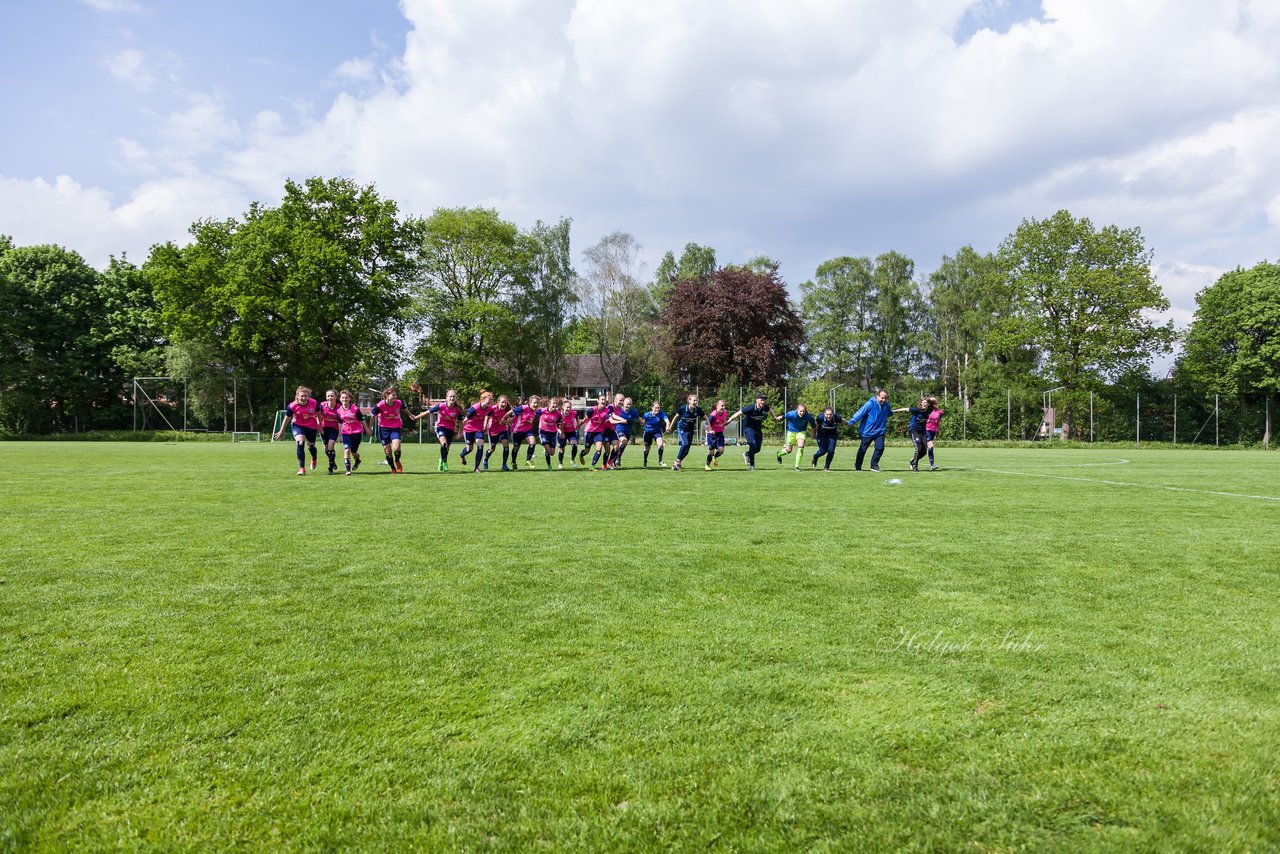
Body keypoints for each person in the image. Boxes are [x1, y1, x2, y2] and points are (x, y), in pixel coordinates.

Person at [848, 389, 903, 473]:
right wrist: (852, 421)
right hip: (867, 431)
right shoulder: (869, 404)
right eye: (882, 398)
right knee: (862, 450)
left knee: (880, 448)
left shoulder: (886, 405)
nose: (883, 400)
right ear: (877, 396)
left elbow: (889, 412)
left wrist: (893, 412)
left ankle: (874, 465)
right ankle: (858, 465)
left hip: (880, 432)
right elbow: (860, 413)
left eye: (885, 398)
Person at [274, 385, 321, 475]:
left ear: (308, 396)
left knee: (311, 446)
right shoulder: (292, 406)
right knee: (300, 443)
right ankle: (302, 468)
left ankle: (314, 456)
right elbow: (287, 418)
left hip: (311, 426)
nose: (304, 398)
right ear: (297, 396)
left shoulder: (314, 403)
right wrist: (282, 430)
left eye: (305, 396)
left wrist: (320, 425)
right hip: (298, 425)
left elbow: (319, 413)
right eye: (302, 396)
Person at [418, 387, 463, 472]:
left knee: (447, 449)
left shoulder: (457, 409)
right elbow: (428, 412)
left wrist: (460, 432)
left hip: (451, 429)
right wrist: (416, 417)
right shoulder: (441, 406)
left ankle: (441, 460)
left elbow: (461, 421)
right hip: (440, 427)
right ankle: (445, 462)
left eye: (453, 397)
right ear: (446, 398)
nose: (452, 398)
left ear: (455, 398)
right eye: (450, 396)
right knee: (444, 444)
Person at [370, 385, 411, 473]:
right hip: (383, 429)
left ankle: (397, 460)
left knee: (396, 448)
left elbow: (405, 409)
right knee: (387, 451)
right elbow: (373, 416)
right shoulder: (380, 405)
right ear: (386, 396)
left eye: (395, 395)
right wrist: (369, 428)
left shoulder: (398, 403)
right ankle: (393, 468)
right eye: (393, 395)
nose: (395, 397)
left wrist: (411, 415)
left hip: (395, 428)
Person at [725, 393, 769, 470]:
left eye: (764, 400)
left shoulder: (765, 408)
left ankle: (747, 454)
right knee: (753, 445)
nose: (763, 402)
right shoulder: (751, 408)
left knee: (757, 449)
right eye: (761, 400)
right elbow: (738, 413)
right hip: (748, 429)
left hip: (758, 430)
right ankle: (752, 465)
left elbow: (770, 410)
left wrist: (775, 417)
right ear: (757, 400)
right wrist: (729, 421)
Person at [665, 393, 704, 472]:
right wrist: (670, 427)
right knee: (685, 444)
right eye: (694, 400)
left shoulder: (698, 410)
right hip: (682, 428)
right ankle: (677, 462)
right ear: (689, 401)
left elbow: (706, 417)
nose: (695, 402)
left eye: (696, 401)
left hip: (690, 430)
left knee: (687, 451)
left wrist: (709, 427)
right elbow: (676, 417)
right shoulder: (683, 408)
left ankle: (677, 463)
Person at [458, 391, 494, 473]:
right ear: (483, 399)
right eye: (489, 399)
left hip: (479, 429)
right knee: (469, 449)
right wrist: (460, 431)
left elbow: (489, 415)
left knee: (480, 445)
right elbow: (465, 420)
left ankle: (476, 468)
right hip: (469, 429)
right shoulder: (474, 408)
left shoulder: (489, 408)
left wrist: (486, 424)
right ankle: (462, 455)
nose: (491, 401)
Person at [774, 403, 816, 470]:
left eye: (803, 411)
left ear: (805, 411)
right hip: (791, 432)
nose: (802, 413)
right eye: (800, 411)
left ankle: (796, 466)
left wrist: (813, 434)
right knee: (788, 450)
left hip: (801, 432)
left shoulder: (809, 417)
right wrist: (778, 418)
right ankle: (779, 454)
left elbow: (813, 426)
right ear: (797, 410)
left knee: (801, 447)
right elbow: (784, 417)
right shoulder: (791, 414)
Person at [336, 389, 365, 475]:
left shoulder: (355, 409)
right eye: (342, 398)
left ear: (349, 399)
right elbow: (340, 423)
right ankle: (348, 470)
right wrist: (339, 435)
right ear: (340, 399)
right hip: (346, 433)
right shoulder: (339, 411)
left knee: (354, 452)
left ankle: (357, 460)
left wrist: (367, 430)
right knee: (347, 449)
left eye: (346, 398)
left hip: (357, 433)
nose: (344, 399)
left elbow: (362, 421)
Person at [482, 394, 515, 471]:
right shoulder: (492, 408)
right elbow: (487, 416)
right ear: (498, 402)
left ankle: (504, 465)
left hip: (503, 429)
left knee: (506, 445)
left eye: (505, 402)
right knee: (492, 448)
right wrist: (485, 425)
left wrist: (506, 421)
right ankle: (485, 459)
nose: (504, 404)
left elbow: (513, 418)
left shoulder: (508, 410)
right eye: (502, 402)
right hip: (492, 430)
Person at [907, 396, 939, 472]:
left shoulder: (929, 410)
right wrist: (893, 411)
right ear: (921, 403)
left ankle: (913, 461)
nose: (924, 404)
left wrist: (929, 400)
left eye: (926, 403)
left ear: (928, 404)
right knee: (918, 449)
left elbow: (935, 402)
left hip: (923, 432)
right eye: (923, 402)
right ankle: (914, 466)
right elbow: (905, 409)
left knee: (924, 451)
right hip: (914, 431)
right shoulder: (916, 410)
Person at [583, 394, 615, 471]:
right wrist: (578, 426)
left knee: (599, 448)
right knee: (587, 451)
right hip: (589, 432)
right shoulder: (591, 410)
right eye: (602, 399)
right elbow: (585, 419)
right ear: (598, 401)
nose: (603, 401)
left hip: (598, 433)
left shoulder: (606, 411)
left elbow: (611, 420)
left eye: (605, 400)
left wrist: (621, 421)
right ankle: (581, 455)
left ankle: (592, 466)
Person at [510, 395, 541, 469]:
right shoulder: (523, 408)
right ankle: (513, 461)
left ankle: (528, 460)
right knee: (516, 448)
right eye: (534, 403)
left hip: (527, 431)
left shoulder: (535, 411)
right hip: (517, 431)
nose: (536, 405)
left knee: (533, 442)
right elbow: (511, 411)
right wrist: (504, 419)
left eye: (537, 403)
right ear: (530, 403)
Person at [609, 396, 642, 467]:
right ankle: (616, 458)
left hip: (628, 431)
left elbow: (638, 418)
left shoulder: (633, 411)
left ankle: (615, 459)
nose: (628, 406)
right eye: (627, 404)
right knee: (624, 441)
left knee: (622, 445)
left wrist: (644, 423)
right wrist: (621, 420)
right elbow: (613, 416)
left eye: (630, 404)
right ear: (623, 403)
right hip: (619, 428)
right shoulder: (619, 410)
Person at [811, 405, 843, 471]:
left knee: (831, 451)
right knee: (823, 450)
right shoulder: (820, 417)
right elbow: (816, 425)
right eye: (827, 414)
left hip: (832, 435)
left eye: (830, 414)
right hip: (821, 434)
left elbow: (842, 420)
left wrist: (849, 424)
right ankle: (815, 457)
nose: (829, 416)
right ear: (824, 414)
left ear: (833, 414)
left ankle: (827, 466)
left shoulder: (836, 417)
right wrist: (814, 434)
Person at [318, 389, 341, 474]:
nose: (330, 398)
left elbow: (340, 422)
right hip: (324, 429)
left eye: (332, 396)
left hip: (334, 429)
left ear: (336, 397)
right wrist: (319, 426)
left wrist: (339, 435)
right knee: (326, 448)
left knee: (331, 446)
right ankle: (333, 461)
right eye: (328, 396)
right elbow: (317, 415)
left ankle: (330, 468)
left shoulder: (339, 408)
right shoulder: (322, 405)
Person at [536, 398, 563, 470]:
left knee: (552, 453)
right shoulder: (542, 411)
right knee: (547, 449)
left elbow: (559, 424)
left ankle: (546, 447)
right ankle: (549, 465)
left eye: (556, 404)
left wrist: (561, 432)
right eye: (553, 403)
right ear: (549, 404)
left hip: (553, 433)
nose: (555, 405)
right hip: (543, 431)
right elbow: (533, 412)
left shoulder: (558, 413)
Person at [641, 401, 669, 467]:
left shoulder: (661, 413)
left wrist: (667, 426)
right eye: (656, 408)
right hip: (648, 432)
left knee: (661, 444)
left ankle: (660, 461)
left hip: (657, 432)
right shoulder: (647, 415)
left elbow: (667, 421)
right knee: (647, 449)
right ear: (652, 408)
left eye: (659, 408)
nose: (657, 409)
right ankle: (645, 461)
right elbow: (643, 422)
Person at [703, 399, 730, 470]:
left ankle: (714, 457)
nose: (723, 407)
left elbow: (725, 420)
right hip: (712, 435)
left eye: (724, 406)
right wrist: (710, 430)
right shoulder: (713, 414)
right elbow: (706, 425)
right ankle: (707, 465)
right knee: (711, 451)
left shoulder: (725, 413)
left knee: (721, 450)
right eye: (722, 406)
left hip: (720, 434)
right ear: (717, 406)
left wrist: (726, 422)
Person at [558, 400, 581, 469]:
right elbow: (556, 426)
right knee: (562, 449)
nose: (569, 409)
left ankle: (573, 460)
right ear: (563, 407)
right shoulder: (559, 415)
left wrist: (578, 425)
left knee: (574, 445)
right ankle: (560, 463)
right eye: (567, 407)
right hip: (562, 432)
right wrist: (561, 433)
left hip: (571, 432)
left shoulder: (573, 413)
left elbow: (577, 417)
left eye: (570, 407)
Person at [924, 401, 943, 470]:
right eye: (934, 404)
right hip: (927, 430)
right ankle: (932, 464)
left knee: (928, 448)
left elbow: (938, 421)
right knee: (931, 446)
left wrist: (938, 429)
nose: (936, 405)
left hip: (933, 431)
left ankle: (914, 460)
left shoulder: (939, 412)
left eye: (936, 403)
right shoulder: (928, 411)